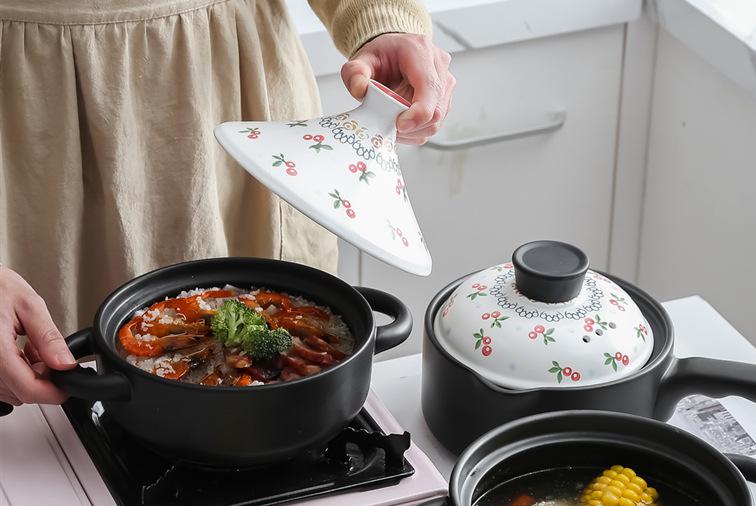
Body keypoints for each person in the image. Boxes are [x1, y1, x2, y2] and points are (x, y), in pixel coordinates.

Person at [0, 0, 455, 408]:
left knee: (282, 347)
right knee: (38, 372)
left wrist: (381, 19)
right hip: (33, 111)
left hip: (241, 90)